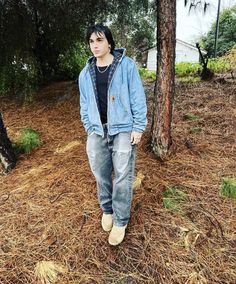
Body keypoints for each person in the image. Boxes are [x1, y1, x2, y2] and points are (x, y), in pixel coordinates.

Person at [78, 24, 147, 246]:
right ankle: (107, 209)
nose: (95, 45)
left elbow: (137, 96)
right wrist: (89, 125)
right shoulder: (85, 73)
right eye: (91, 41)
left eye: (99, 40)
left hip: (123, 128)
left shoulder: (126, 66)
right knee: (100, 173)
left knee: (123, 175)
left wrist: (138, 127)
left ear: (109, 42)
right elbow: (84, 103)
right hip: (97, 130)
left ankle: (121, 220)